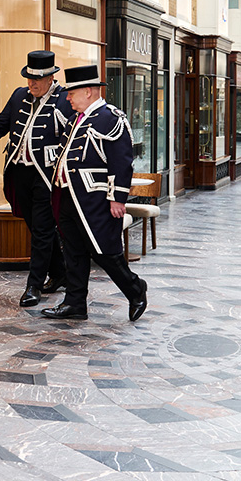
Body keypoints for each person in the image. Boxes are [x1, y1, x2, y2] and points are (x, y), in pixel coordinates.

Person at [0, 50, 73, 307]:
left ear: (50, 78)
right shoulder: (19, 96)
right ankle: (60, 273)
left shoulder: (64, 100)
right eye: (29, 79)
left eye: (36, 80)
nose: (31, 84)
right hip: (19, 172)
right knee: (36, 226)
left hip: (46, 175)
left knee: (42, 229)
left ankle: (34, 285)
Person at [43, 64, 148, 322]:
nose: (67, 98)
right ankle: (75, 303)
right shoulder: (74, 119)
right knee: (73, 251)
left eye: (72, 93)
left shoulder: (111, 118)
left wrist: (117, 198)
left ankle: (136, 291)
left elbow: (121, 162)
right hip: (68, 196)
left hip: (96, 197)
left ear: (88, 92)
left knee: (105, 252)